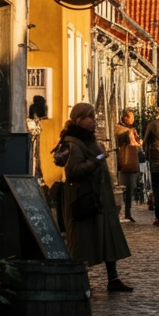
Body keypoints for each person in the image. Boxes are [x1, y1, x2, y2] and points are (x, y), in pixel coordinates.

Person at [57, 103, 133, 292]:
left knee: (108, 237)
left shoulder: (89, 140)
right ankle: (79, 280)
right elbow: (73, 171)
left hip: (101, 198)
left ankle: (113, 278)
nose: (94, 121)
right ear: (79, 119)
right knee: (83, 241)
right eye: (89, 118)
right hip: (85, 199)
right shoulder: (72, 141)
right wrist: (96, 160)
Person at [114, 109, 142, 223]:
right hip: (126, 162)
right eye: (132, 117)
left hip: (127, 162)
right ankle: (125, 212)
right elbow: (133, 143)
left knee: (129, 188)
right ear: (125, 118)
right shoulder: (124, 130)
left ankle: (127, 212)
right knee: (126, 188)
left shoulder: (127, 129)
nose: (134, 119)